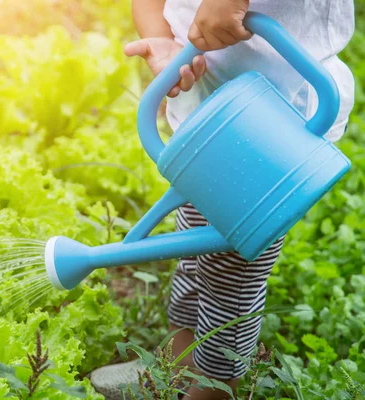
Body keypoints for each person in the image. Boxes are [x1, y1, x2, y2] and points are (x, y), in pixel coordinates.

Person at [89, 0, 355, 399]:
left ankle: (210, 391)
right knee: (194, 253)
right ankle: (175, 369)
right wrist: (163, 39)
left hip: (275, 117)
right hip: (207, 93)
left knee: (230, 274)